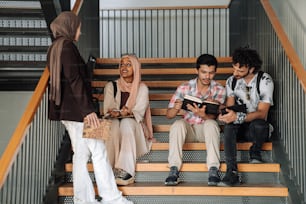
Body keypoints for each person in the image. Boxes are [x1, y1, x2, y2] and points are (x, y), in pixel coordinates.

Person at [47, 11, 133, 204]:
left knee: (81, 154)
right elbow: (74, 79)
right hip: (80, 111)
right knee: (99, 150)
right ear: (70, 27)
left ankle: (83, 200)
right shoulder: (67, 47)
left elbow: (68, 78)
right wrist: (88, 111)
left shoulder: (55, 47)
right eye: (78, 27)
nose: (80, 31)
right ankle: (112, 198)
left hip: (67, 111)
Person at [164, 54, 226, 186]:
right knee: (177, 124)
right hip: (189, 130)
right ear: (196, 70)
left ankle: (213, 169)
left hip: (206, 130)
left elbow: (214, 118)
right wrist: (175, 108)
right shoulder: (184, 87)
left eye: (211, 73)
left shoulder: (219, 89)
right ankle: (174, 169)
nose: (207, 76)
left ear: (215, 72)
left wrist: (202, 114)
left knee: (210, 123)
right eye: (204, 72)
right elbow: (169, 115)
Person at [218, 47, 274, 186]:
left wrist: (238, 117)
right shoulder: (232, 81)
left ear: (251, 68)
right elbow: (230, 107)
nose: (235, 73)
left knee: (260, 124)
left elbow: (262, 113)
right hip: (239, 129)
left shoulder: (264, 80)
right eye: (234, 68)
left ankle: (255, 151)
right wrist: (225, 114)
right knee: (229, 126)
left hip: (256, 130)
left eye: (240, 70)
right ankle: (232, 172)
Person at [103, 54, 153, 186]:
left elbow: (140, 112)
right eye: (122, 64)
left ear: (136, 68)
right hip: (115, 123)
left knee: (126, 123)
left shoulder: (142, 88)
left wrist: (129, 112)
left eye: (128, 64)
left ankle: (126, 171)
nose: (124, 67)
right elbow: (107, 108)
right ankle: (107, 169)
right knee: (113, 125)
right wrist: (114, 111)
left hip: (133, 126)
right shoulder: (111, 86)